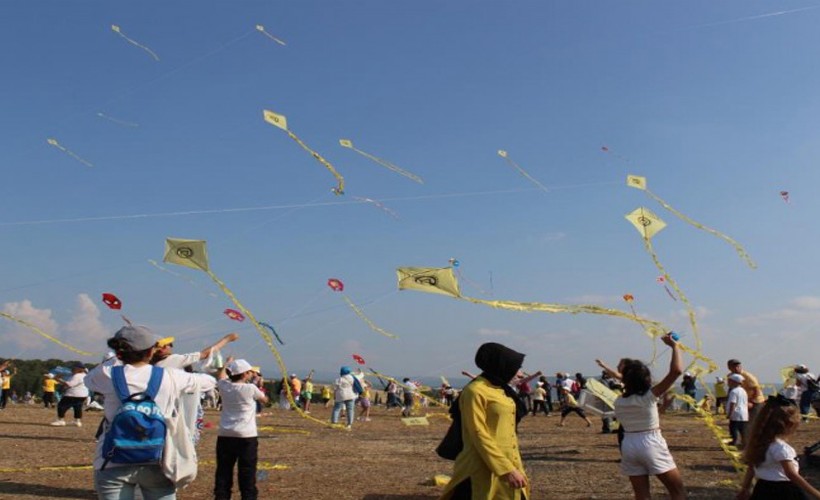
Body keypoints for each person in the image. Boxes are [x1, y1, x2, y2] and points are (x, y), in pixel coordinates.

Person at [84, 325, 217, 500]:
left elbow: (88, 381)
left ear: (118, 352)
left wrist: (115, 359)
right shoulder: (170, 375)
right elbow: (209, 382)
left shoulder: (107, 374)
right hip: (159, 459)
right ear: (151, 351)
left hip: (111, 460)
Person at [440, 342, 529, 499]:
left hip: (510, 462)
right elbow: (478, 433)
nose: (519, 373)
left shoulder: (501, 389)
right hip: (479, 466)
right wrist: (505, 469)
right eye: (515, 367)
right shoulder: (475, 391)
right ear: (500, 366)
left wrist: (512, 466)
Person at [614, 333, 685, 500]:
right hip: (651, 442)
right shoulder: (648, 397)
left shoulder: (619, 401)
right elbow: (676, 371)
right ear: (646, 380)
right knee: (678, 491)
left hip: (629, 444)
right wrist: (675, 347)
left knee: (642, 495)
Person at [737, 395, 820, 499]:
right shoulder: (781, 448)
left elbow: (751, 469)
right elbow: (791, 475)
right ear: (788, 425)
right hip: (784, 490)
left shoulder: (759, 445)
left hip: (762, 488)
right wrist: (816, 493)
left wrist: (745, 488)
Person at [214, 358, 269, 500]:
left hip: (225, 434)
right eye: (250, 372)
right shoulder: (250, 388)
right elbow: (264, 400)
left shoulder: (224, 386)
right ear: (244, 374)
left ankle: (221, 497)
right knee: (247, 472)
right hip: (246, 436)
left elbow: (221, 376)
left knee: (223, 471)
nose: (252, 374)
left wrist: (227, 362)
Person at [727, 374, 749, 449]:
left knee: (733, 428)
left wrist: (730, 414)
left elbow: (733, 403)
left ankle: (735, 441)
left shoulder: (734, 391)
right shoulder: (743, 391)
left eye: (730, 381)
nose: (728, 383)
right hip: (744, 413)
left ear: (734, 382)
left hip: (736, 413)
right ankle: (744, 442)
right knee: (742, 429)